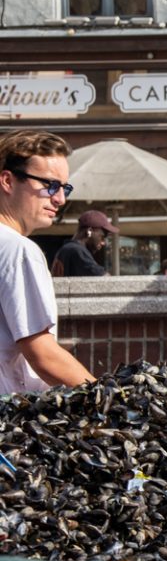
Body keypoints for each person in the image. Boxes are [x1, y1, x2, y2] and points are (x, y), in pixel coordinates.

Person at [0, 129, 94, 393]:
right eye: (50, 185)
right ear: (7, 180)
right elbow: (41, 352)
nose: (60, 199)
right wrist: (107, 399)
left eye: (65, 187)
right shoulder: (18, 249)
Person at [50, 210, 119, 277]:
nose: (103, 243)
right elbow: (106, 280)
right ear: (89, 231)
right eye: (102, 237)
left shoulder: (67, 248)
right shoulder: (76, 250)